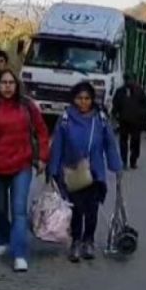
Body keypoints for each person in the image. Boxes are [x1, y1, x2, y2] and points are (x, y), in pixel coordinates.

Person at [0, 69, 50, 272]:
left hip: (22, 165)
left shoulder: (27, 106)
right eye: (3, 83)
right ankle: (2, 237)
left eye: (11, 83)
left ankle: (19, 253)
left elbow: (42, 131)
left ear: (17, 85)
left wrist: (42, 157)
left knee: (19, 210)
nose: (7, 87)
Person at [48, 82, 124, 262]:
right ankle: (75, 241)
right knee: (75, 209)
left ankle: (88, 240)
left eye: (87, 98)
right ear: (73, 99)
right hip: (72, 173)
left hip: (95, 172)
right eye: (79, 98)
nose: (83, 102)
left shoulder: (100, 120)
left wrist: (116, 166)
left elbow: (110, 144)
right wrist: (53, 170)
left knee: (92, 209)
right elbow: (57, 145)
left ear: (92, 100)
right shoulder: (66, 119)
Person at [113, 74, 146, 169]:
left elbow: (144, 105)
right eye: (127, 80)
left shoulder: (139, 91)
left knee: (135, 141)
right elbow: (115, 104)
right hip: (124, 120)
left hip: (136, 120)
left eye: (131, 80)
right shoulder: (120, 91)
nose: (129, 82)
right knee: (123, 141)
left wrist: (142, 119)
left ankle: (133, 160)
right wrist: (115, 115)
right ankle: (123, 161)